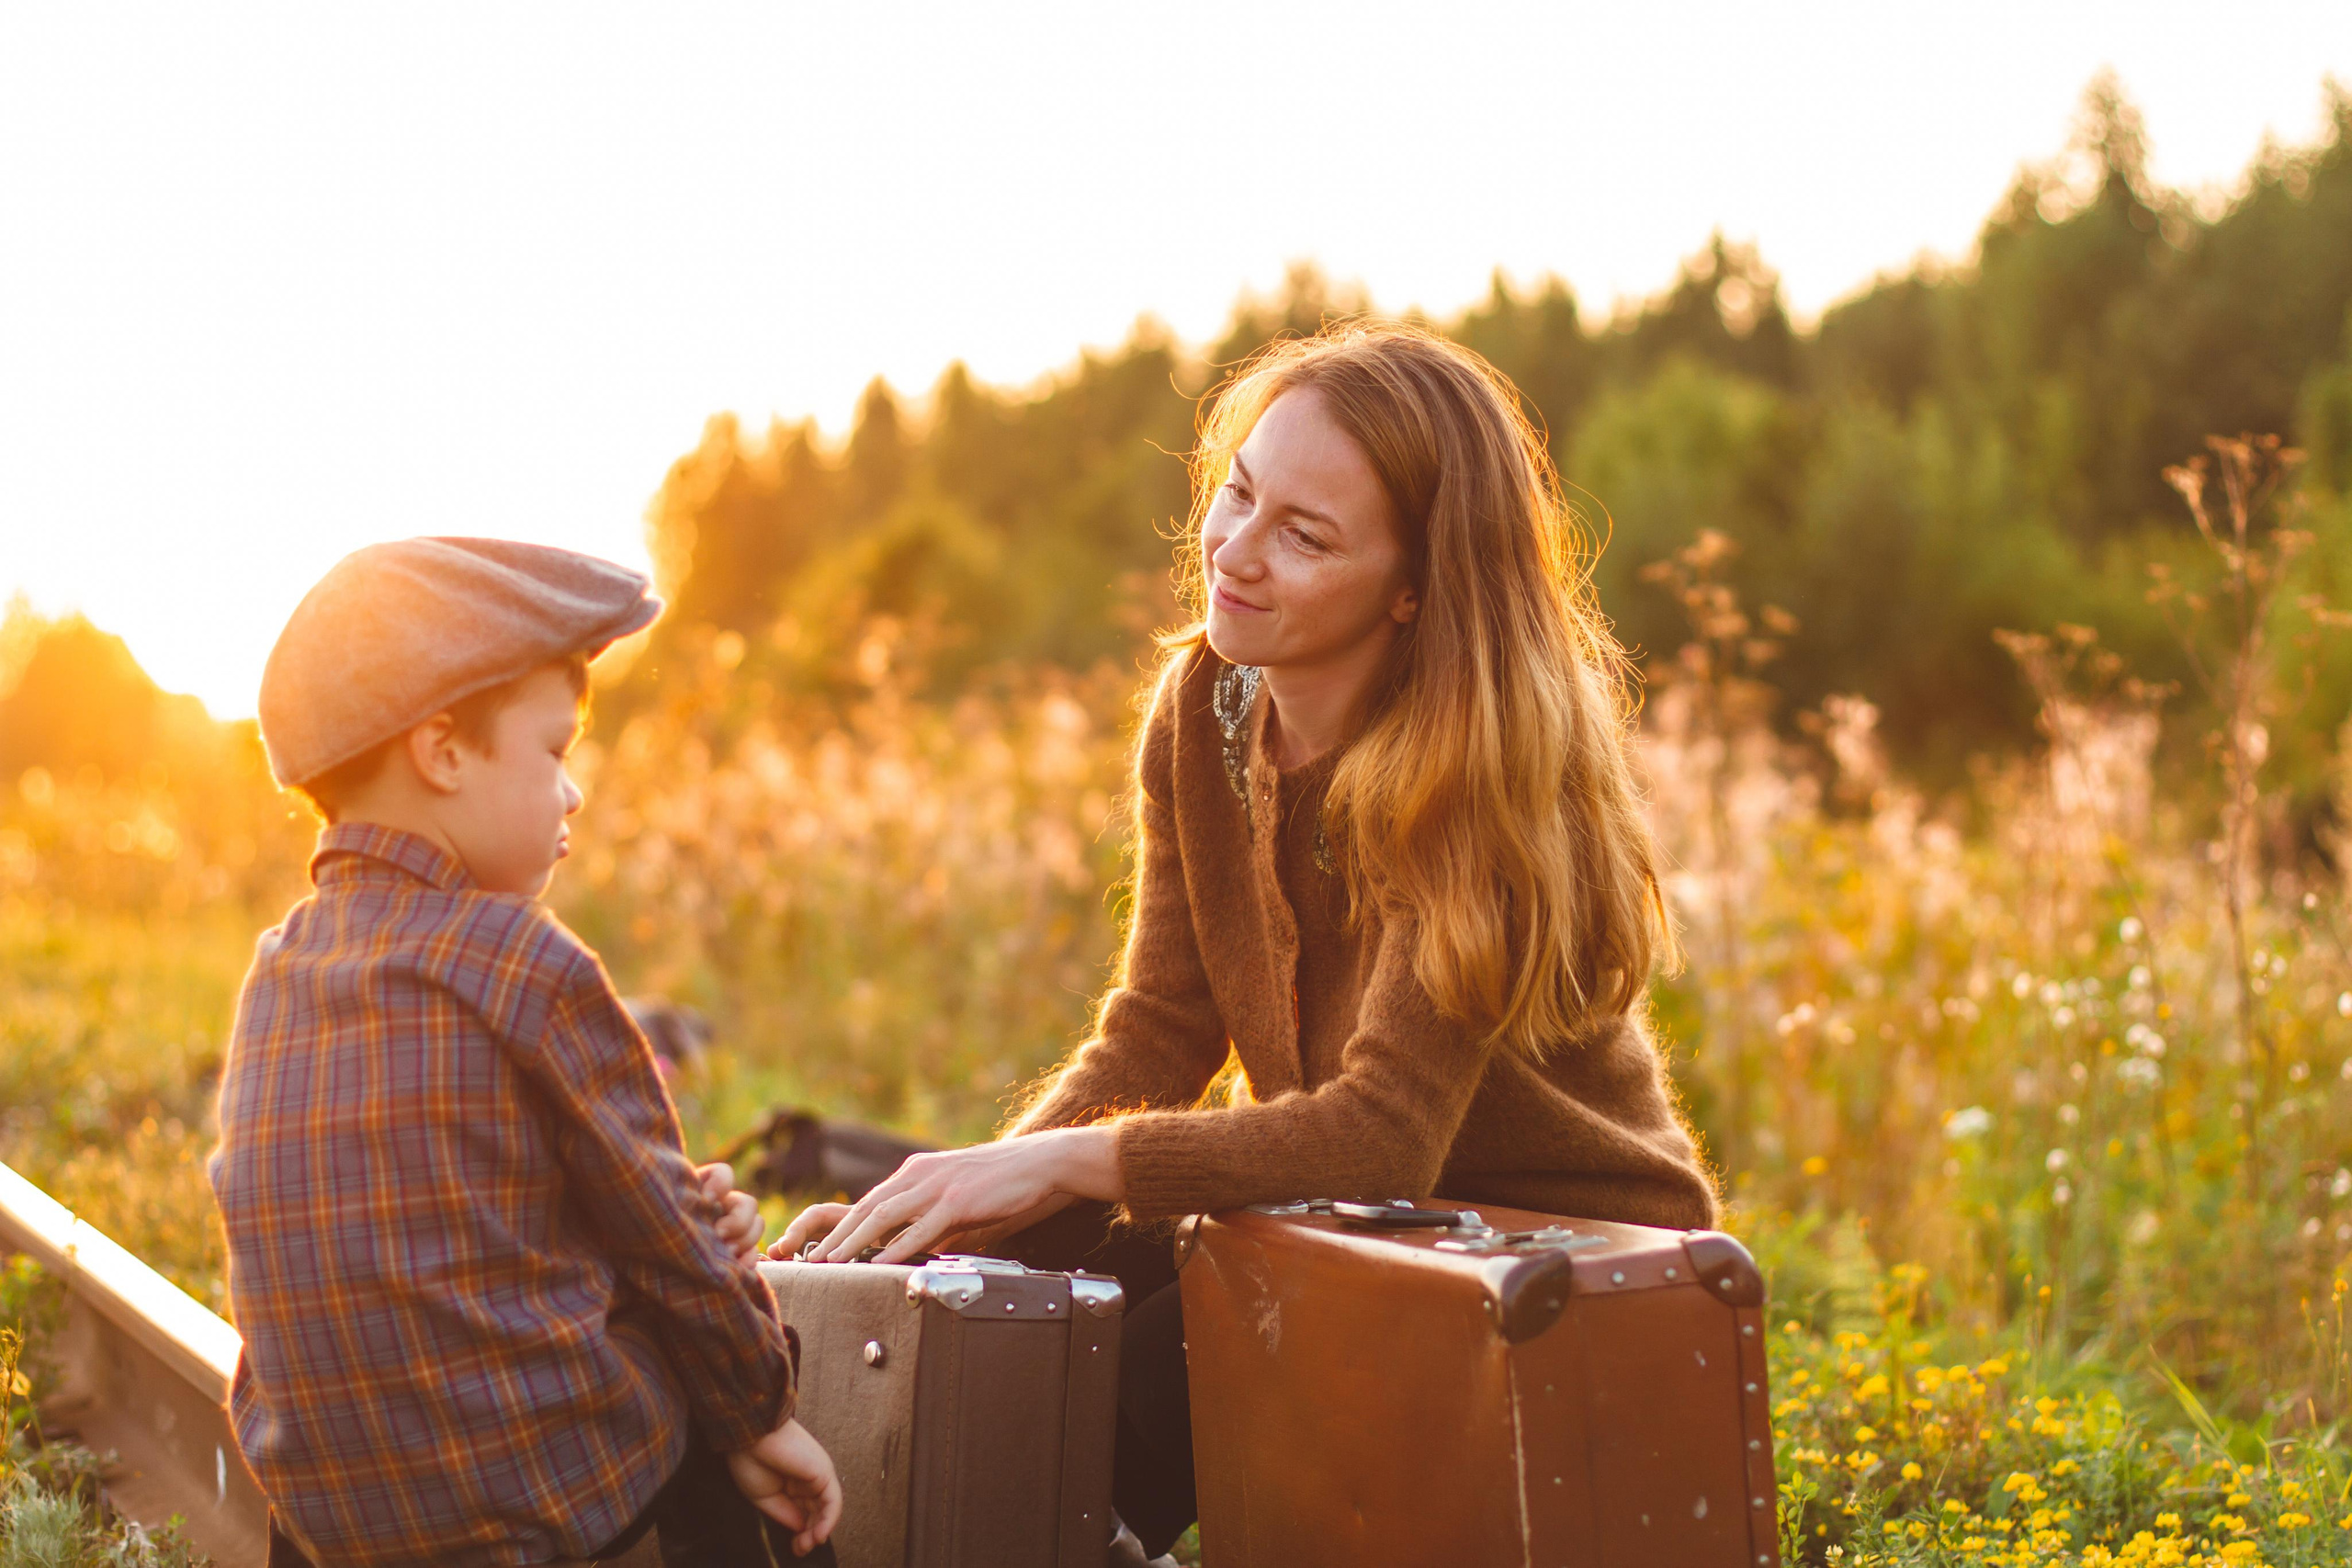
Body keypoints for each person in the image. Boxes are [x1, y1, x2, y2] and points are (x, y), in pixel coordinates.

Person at [776, 323, 1720, 1557]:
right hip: (1347, 1221)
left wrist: (1067, 1164)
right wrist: (961, 1196)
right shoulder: (1207, 706)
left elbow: (1385, 1131)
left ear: (1413, 588)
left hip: (1547, 1236)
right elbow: (1161, 1028)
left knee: (1134, 1355)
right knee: (1009, 1288)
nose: (1235, 550)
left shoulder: (1470, 779)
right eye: (1239, 492)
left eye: (1304, 534)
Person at [210, 538, 842, 1568]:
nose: (573, 794)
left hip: (331, 1517)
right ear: (443, 750)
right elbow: (670, 1244)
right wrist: (761, 1410)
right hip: (529, 1499)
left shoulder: (279, 972)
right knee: (711, 1336)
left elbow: (429, 1227)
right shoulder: (521, 963)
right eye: (553, 753)